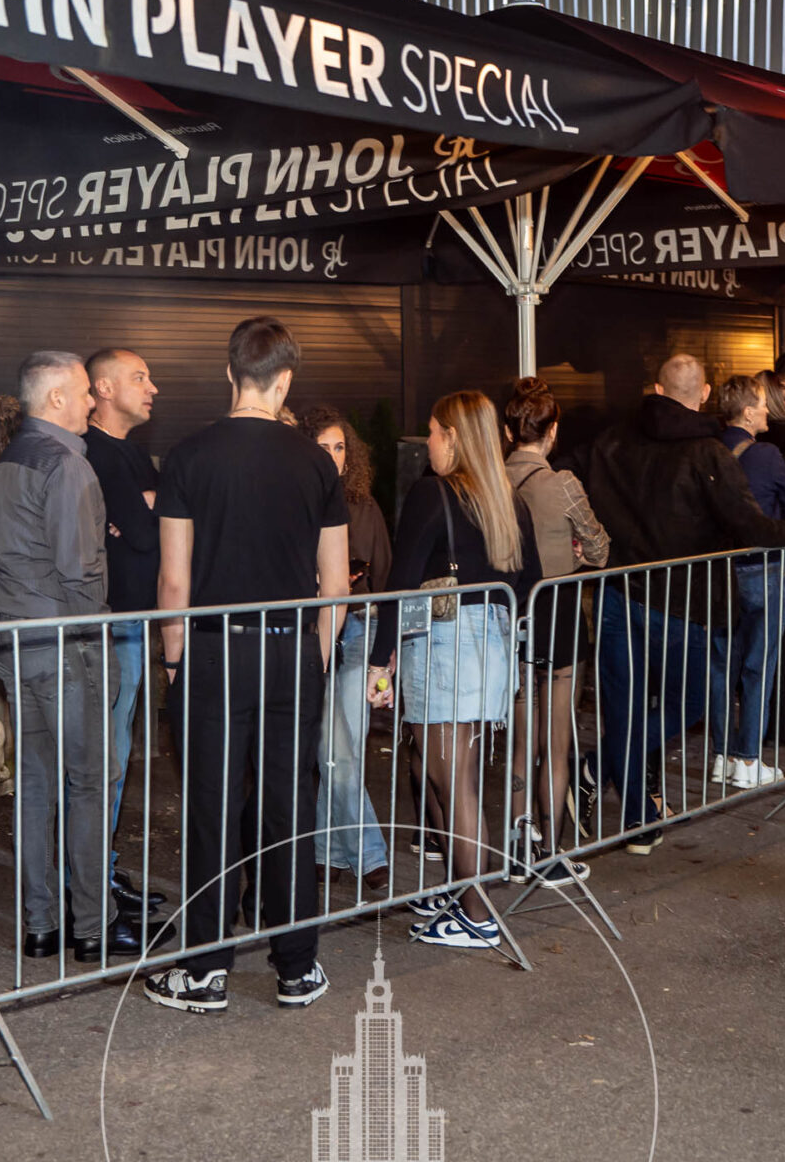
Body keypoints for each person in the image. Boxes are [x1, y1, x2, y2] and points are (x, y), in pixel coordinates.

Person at [143, 318, 349, 1015]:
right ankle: (297, 968)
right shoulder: (316, 462)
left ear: (229, 373)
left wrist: (175, 660)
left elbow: (174, 580)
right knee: (291, 807)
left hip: (213, 648)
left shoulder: (188, 456)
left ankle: (205, 972)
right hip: (292, 649)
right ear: (285, 380)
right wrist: (314, 657)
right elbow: (336, 584)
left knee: (213, 808)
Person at [583, 355, 785, 848]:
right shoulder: (706, 452)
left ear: (657, 389)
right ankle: (609, 783)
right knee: (687, 702)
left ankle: (634, 815)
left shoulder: (612, 442)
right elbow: (750, 526)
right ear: (706, 392)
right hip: (681, 599)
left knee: (627, 707)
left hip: (620, 590)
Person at [0, 352, 149, 964]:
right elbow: (81, 570)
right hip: (66, 644)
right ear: (55, 398)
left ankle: (41, 925)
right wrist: (98, 643)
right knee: (88, 784)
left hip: (17, 641)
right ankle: (93, 926)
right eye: (83, 392)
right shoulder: (67, 464)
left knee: (34, 785)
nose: (89, 402)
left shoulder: (9, 460)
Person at [373, 391, 539, 952]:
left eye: (433, 431)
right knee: (445, 773)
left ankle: (477, 913)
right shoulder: (506, 500)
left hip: (446, 642)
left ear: (454, 436)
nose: (428, 442)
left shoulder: (434, 493)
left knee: (454, 781)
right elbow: (530, 581)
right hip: (492, 641)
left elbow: (401, 580)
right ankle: (460, 892)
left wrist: (378, 658)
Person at [81, 349, 174, 923]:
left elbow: (162, 524)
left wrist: (147, 513)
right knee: (105, 758)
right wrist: (147, 514)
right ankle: (90, 881)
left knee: (116, 756)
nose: (153, 387)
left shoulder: (133, 453)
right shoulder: (93, 452)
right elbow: (145, 533)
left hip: (134, 624)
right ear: (103, 389)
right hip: (110, 626)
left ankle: (102, 868)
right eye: (139, 377)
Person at [501, 380, 606, 875]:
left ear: (508, 431)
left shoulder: (491, 482)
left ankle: (518, 848)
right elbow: (601, 549)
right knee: (556, 741)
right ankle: (553, 856)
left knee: (521, 741)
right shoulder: (564, 484)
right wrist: (576, 553)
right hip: (559, 612)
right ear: (553, 431)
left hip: (512, 616)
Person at [303, 406, 392, 879]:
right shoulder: (295, 498)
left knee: (343, 744)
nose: (334, 456)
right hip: (313, 629)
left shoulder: (363, 504)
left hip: (360, 625)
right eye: (323, 447)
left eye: (340, 447)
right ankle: (367, 853)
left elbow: (386, 573)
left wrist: (387, 653)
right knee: (333, 743)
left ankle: (327, 851)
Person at [713, 374, 785, 789]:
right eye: (763, 403)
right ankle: (747, 759)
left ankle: (722, 755)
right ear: (747, 412)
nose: (768, 410)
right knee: (758, 666)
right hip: (761, 568)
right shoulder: (766, 454)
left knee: (720, 665)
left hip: (716, 570)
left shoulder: (708, 449)